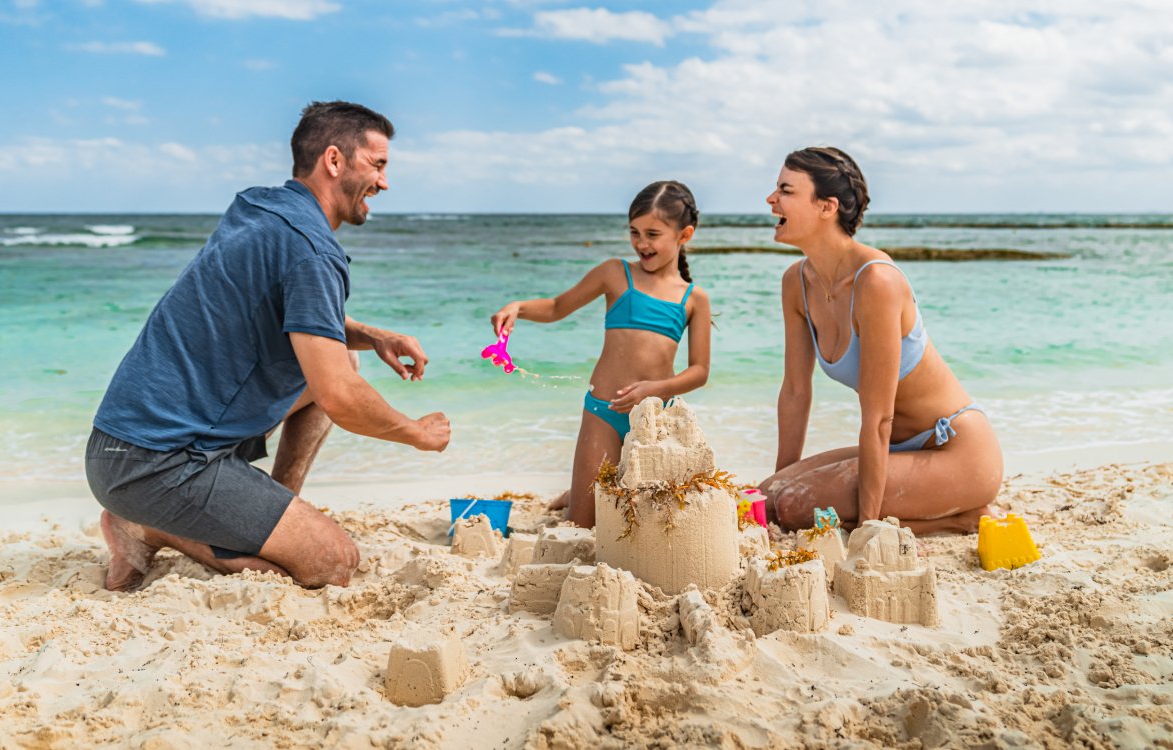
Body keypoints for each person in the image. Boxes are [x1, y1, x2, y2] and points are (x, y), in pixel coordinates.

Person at [85, 100, 450, 592]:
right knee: (332, 563)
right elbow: (340, 398)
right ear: (335, 160)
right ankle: (145, 526)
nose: (384, 183)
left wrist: (372, 334)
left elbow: (278, 306)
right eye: (378, 165)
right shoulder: (311, 250)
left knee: (341, 350)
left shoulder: (261, 207)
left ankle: (270, 507)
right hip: (158, 465)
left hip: (117, 450)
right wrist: (415, 433)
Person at [758, 147, 1001, 534]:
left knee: (793, 507)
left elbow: (879, 418)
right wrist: (773, 491)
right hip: (896, 451)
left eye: (785, 190)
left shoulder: (877, 282)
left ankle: (962, 517)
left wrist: (869, 525)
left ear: (827, 207)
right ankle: (922, 510)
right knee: (771, 495)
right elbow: (795, 393)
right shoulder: (796, 283)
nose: (771, 199)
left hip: (956, 451)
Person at [491, 181, 712, 528]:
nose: (641, 243)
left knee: (647, 523)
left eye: (653, 234)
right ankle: (577, 494)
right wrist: (518, 307)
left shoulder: (693, 299)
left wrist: (654, 389)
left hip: (656, 420)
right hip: (604, 412)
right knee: (581, 524)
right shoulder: (615, 274)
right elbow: (556, 307)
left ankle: (579, 489)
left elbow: (699, 371)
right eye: (634, 232)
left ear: (684, 235)